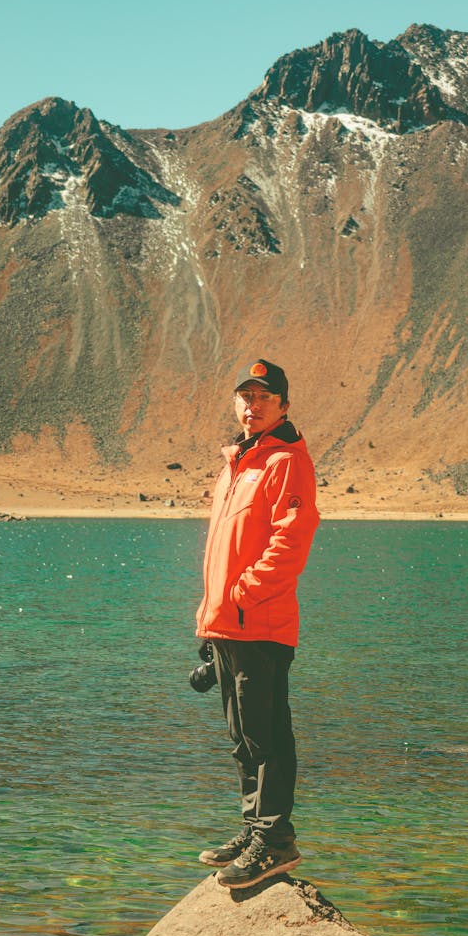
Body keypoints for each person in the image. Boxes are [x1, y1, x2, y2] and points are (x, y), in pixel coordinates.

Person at [195, 358, 319, 890]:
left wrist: (243, 596)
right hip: (230, 624)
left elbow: (290, 543)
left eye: (264, 398)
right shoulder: (237, 463)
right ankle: (253, 830)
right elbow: (224, 552)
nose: (252, 405)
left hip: (260, 624)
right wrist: (212, 622)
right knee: (243, 738)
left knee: (266, 735)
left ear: (283, 406)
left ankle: (275, 840)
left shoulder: (287, 460)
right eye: (245, 397)